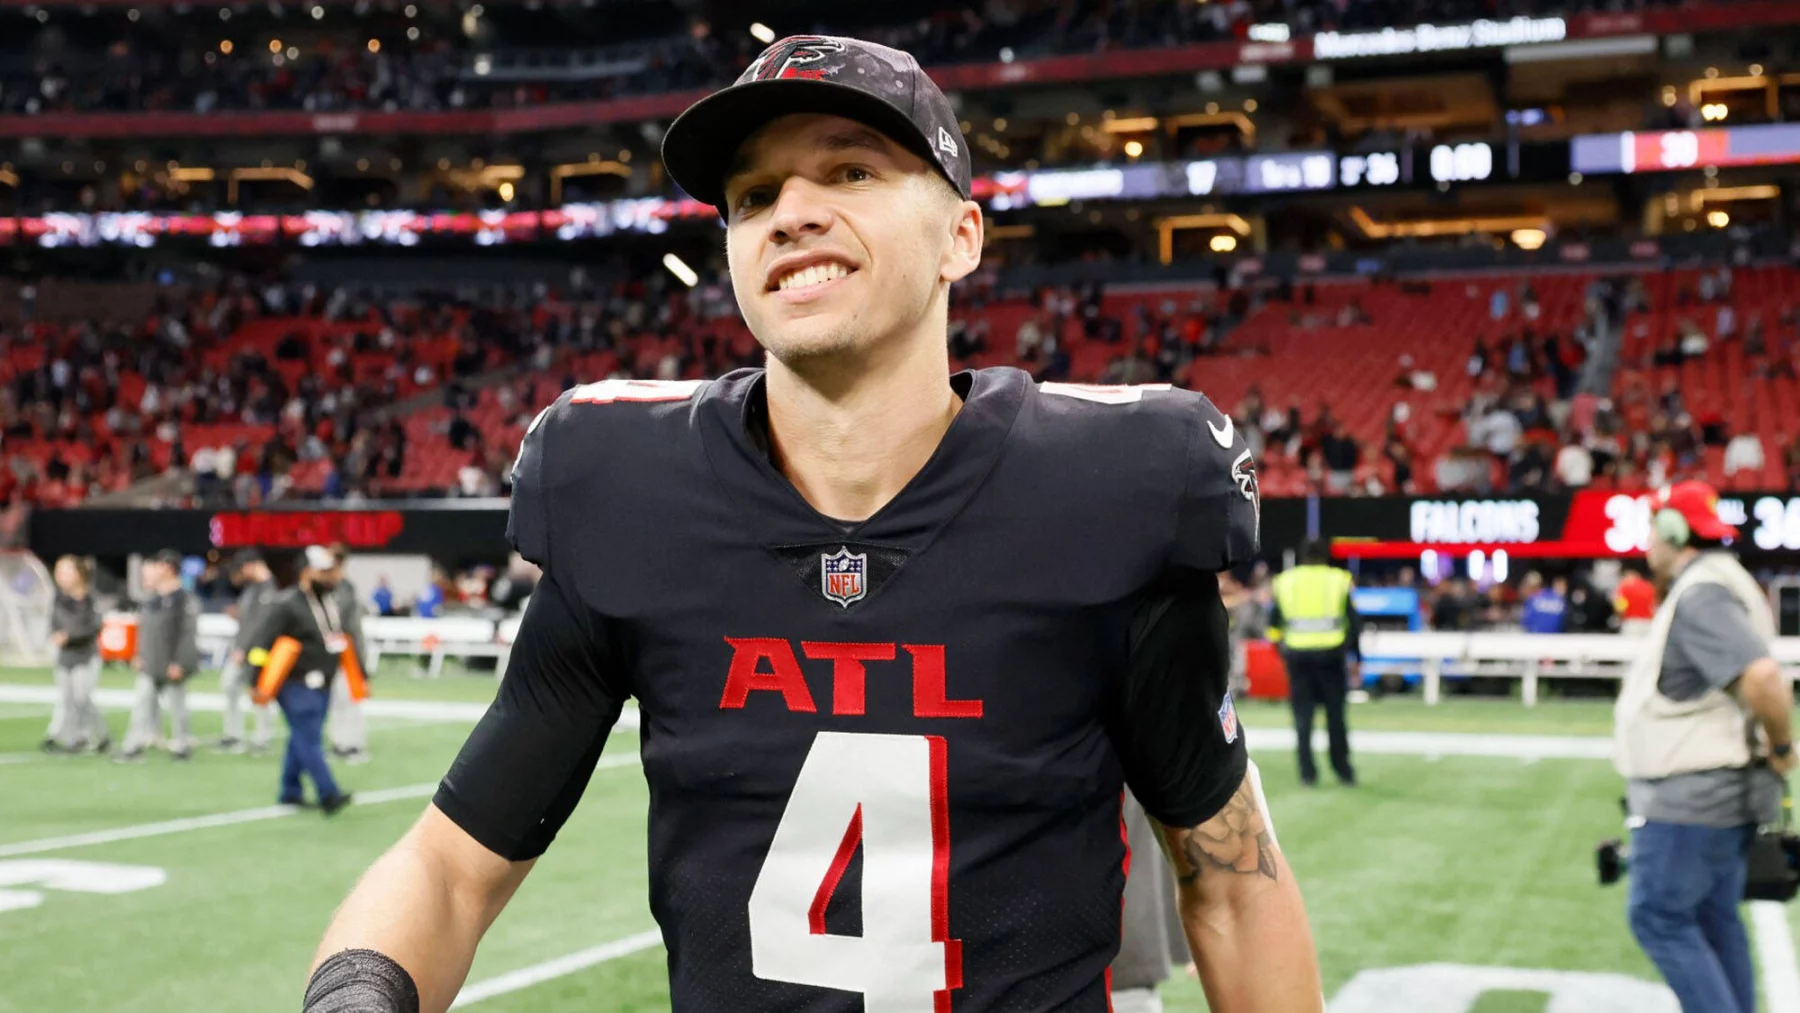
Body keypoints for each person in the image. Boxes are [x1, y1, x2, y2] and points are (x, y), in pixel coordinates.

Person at [302, 34, 1320, 1013]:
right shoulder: (630, 492)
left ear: (962, 235)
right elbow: (449, 864)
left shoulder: (1109, 490)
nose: (792, 211)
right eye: (753, 195)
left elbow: (1232, 878)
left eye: (851, 172)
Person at [1615, 481, 1795, 1013]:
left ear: (1674, 531)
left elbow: (1763, 678)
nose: (1647, 539)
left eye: (1653, 526)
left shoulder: (1701, 593)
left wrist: (1784, 745)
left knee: (1659, 918)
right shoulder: (1722, 582)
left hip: (1691, 796)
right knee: (1715, 921)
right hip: (1720, 794)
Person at [248, 545, 355, 815]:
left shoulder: (330, 602)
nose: (332, 577)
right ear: (306, 573)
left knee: (302, 737)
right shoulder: (286, 604)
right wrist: (256, 680)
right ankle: (328, 792)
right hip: (294, 683)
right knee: (309, 739)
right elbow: (260, 643)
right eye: (324, 571)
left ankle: (289, 791)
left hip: (323, 682)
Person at [1268, 539, 1360, 787]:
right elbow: (1353, 623)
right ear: (1326, 556)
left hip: (1297, 656)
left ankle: (1307, 773)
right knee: (1336, 717)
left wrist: (1281, 650)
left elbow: (1274, 622)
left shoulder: (1285, 581)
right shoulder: (1339, 579)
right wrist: (1356, 657)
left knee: (1302, 718)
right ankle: (1343, 771)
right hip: (1331, 655)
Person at [117, 550, 200, 762]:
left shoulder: (183, 599)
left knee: (177, 706)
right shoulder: (152, 599)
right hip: (151, 662)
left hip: (172, 663)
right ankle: (133, 746)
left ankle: (181, 745)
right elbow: (144, 630)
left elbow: (188, 634)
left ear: (168, 568)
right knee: (142, 704)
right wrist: (138, 654)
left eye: (156, 565)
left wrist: (180, 662)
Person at [44, 555, 107, 754]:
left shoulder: (90, 599)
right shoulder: (58, 599)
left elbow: (95, 627)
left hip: (85, 655)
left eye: (65, 571)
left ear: (79, 574)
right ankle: (71, 738)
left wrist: (69, 637)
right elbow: (53, 622)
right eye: (58, 571)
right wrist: (56, 634)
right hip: (65, 656)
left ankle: (99, 734)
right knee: (67, 699)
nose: (60, 576)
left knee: (82, 697)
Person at [220, 552, 278, 754]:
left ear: (253, 565)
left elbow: (261, 625)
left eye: (243, 567)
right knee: (230, 687)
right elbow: (250, 619)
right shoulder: (253, 589)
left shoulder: (269, 589)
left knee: (259, 692)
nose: (242, 573)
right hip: (244, 649)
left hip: (258, 651)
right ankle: (233, 735)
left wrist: (242, 650)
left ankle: (262, 737)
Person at [326, 543, 370, 764]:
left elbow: (353, 626)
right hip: (331, 652)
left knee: (351, 699)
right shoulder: (326, 588)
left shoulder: (346, 589)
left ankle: (354, 744)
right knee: (336, 700)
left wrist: (361, 662)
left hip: (349, 652)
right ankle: (340, 743)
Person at [1616, 565, 1658, 634]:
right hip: (1648, 623)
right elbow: (1653, 606)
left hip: (1631, 623)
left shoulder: (1625, 587)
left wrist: (1620, 619)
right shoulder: (1649, 586)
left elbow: (1620, 608)